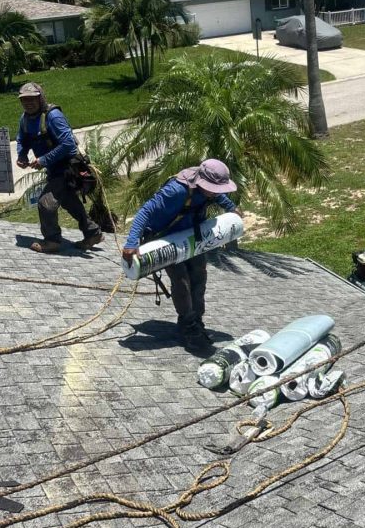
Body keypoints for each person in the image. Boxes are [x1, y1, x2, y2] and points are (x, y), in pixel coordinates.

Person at [122, 159, 241, 352]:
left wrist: (231, 207)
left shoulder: (210, 190)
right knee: (182, 281)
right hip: (167, 240)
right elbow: (146, 211)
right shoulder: (176, 191)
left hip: (191, 236)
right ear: (202, 182)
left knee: (199, 276)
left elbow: (218, 196)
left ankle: (197, 319)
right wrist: (131, 242)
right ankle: (187, 324)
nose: (217, 192)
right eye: (214, 188)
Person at [16, 82, 103, 254]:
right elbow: (22, 139)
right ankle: (92, 233)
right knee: (69, 202)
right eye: (24, 99)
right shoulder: (25, 119)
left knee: (45, 204)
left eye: (32, 98)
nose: (28, 102)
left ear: (40, 97)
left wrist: (44, 160)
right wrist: (22, 155)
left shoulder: (53, 116)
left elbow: (68, 145)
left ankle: (52, 241)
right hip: (54, 170)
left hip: (67, 169)